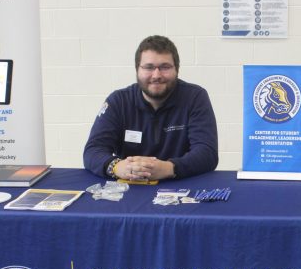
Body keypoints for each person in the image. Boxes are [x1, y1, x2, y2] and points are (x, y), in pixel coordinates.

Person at [83, 35, 219, 181]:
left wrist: (169, 168)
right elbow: (93, 150)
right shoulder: (118, 101)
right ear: (137, 70)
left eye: (165, 67)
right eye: (148, 67)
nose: (156, 75)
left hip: (181, 185)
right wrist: (117, 167)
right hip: (130, 187)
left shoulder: (195, 97)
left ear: (177, 69)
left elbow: (207, 153)